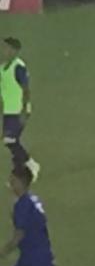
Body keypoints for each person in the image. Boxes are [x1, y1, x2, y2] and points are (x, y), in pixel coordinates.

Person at [0, 38, 41, 181]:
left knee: (10, 140)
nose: (4, 50)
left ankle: (31, 165)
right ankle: (19, 175)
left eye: (7, 48)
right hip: (8, 112)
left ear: (15, 51)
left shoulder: (18, 67)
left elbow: (26, 89)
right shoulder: (2, 68)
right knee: (11, 142)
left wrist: (24, 110)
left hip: (18, 111)